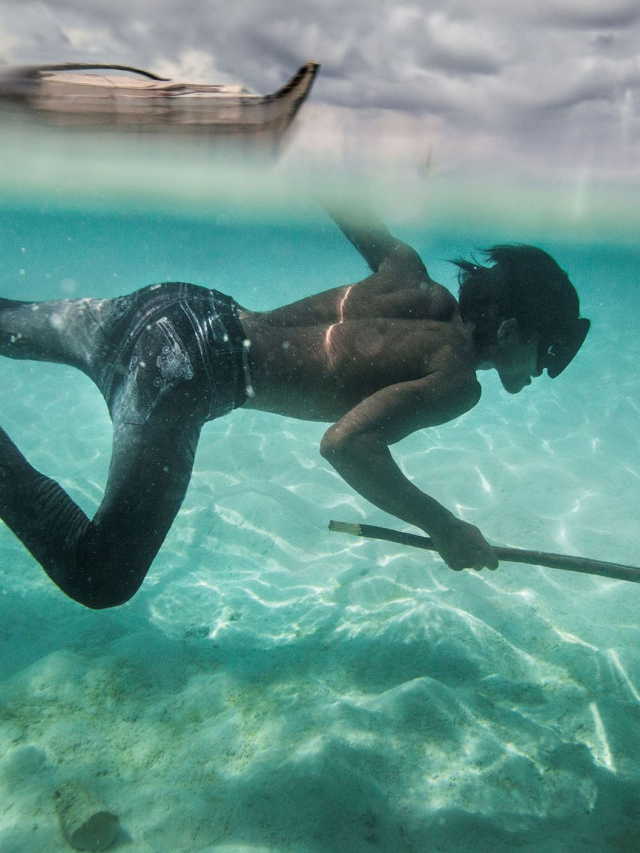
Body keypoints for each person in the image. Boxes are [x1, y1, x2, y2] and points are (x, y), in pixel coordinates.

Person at [0, 203, 590, 609]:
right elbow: (346, 444)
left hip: (179, 306)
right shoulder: (457, 378)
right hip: (184, 372)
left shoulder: (409, 274)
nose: (543, 372)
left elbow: (342, 197)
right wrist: (446, 527)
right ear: (511, 331)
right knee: (100, 576)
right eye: (546, 353)